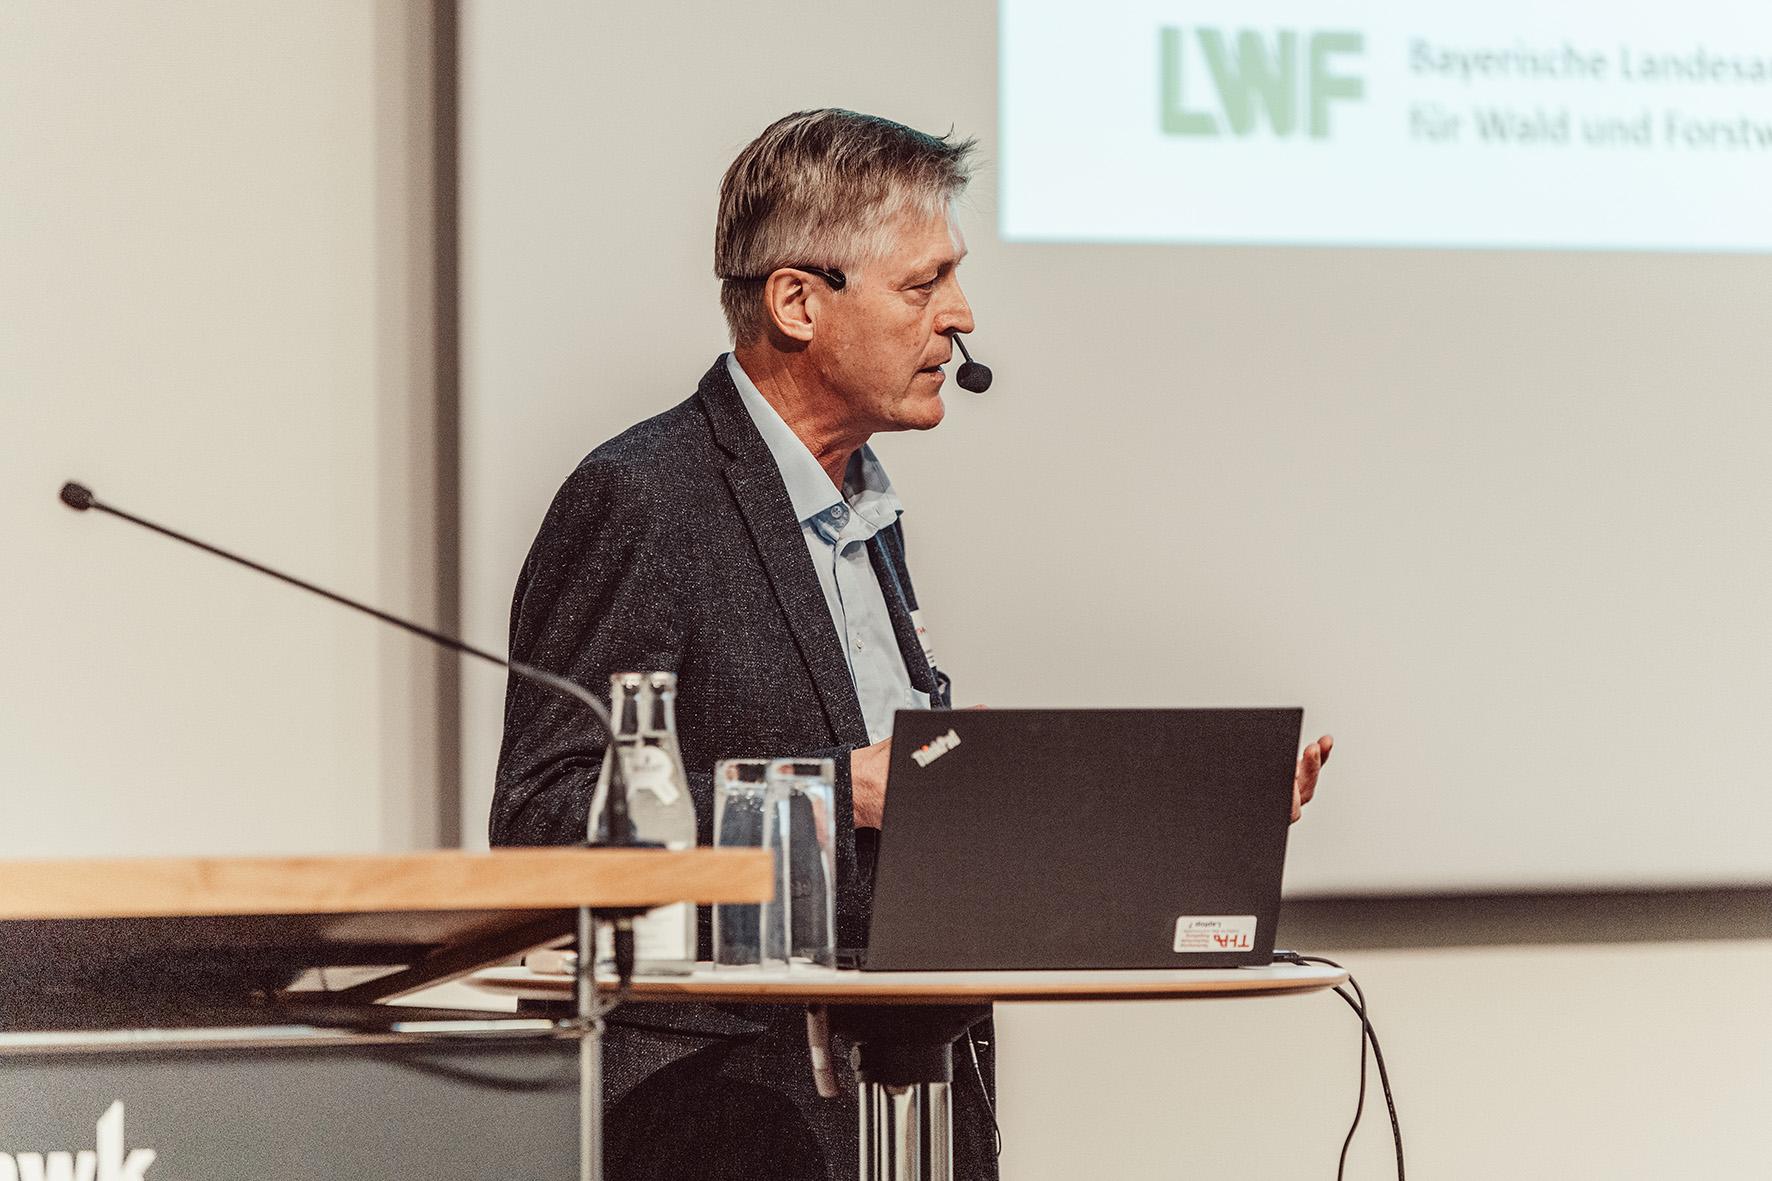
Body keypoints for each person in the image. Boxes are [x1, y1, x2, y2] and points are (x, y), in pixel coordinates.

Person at [491, 108, 1332, 1180]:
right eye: (922, 284)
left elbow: (901, 819)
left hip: (909, 1108)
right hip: (732, 1121)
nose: (959, 316)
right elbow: (542, 819)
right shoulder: (642, 499)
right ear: (798, 300)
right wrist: (834, 790)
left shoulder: (861, 514)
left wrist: (1200, 813)